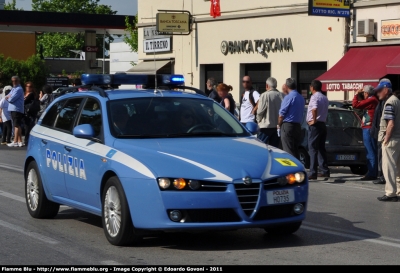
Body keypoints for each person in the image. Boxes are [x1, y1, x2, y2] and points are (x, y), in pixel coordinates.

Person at [375, 79, 400, 202]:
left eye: (379, 90)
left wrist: (386, 139)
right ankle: (399, 191)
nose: (378, 93)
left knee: (389, 167)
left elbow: (391, 123)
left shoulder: (389, 103)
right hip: (398, 138)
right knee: (398, 168)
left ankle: (391, 193)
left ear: (386, 90)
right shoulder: (397, 101)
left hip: (392, 140)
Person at [352, 85, 379, 181]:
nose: (363, 94)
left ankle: (372, 173)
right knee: (371, 150)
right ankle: (372, 171)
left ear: (367, 93)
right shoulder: (373, 100)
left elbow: (356, 105)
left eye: (364, 93)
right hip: (368, 127)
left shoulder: (372, 100)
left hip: (369, 128)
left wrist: (356, 94)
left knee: (370, 151)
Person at [306, 80, 330, 180]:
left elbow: (314, 109)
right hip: (322, 124)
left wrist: (314, 120)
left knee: (312, 148)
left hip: (315, 125)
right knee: (321, 148)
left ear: (312, 88)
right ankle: (324, 170)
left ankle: (313, 172)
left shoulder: (314, 97)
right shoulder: (325, 97)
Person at [277, 78, 305, 159]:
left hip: (288, 125)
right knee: (295, 150)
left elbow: (281, 114)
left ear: (286, 86)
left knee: (288, 151)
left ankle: (291, 170)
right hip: (297, 126)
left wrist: (279, 124)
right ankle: (297, 170)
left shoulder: (288, 97)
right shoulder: (301, 97)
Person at [256, 77, 283, 148]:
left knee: (260, 147)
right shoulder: (281, 95)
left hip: (265, 126)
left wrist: (258, 120)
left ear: (267, 85)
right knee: (275, 148)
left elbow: (260, 111)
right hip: (277, 126)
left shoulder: (264, 95)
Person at [5, 76, 24, 147]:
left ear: (18, 81)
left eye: (15, 80)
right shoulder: (14, 88)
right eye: (13, 81)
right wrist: (8, 97)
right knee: (17, 125)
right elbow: (7, 96)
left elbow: (11, 99)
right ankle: (20, 141)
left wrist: (9, 97)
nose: (14, 82)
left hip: (16, 109)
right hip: (13, 109)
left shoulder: (18, 89)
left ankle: (15, 141)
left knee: (16, 125)